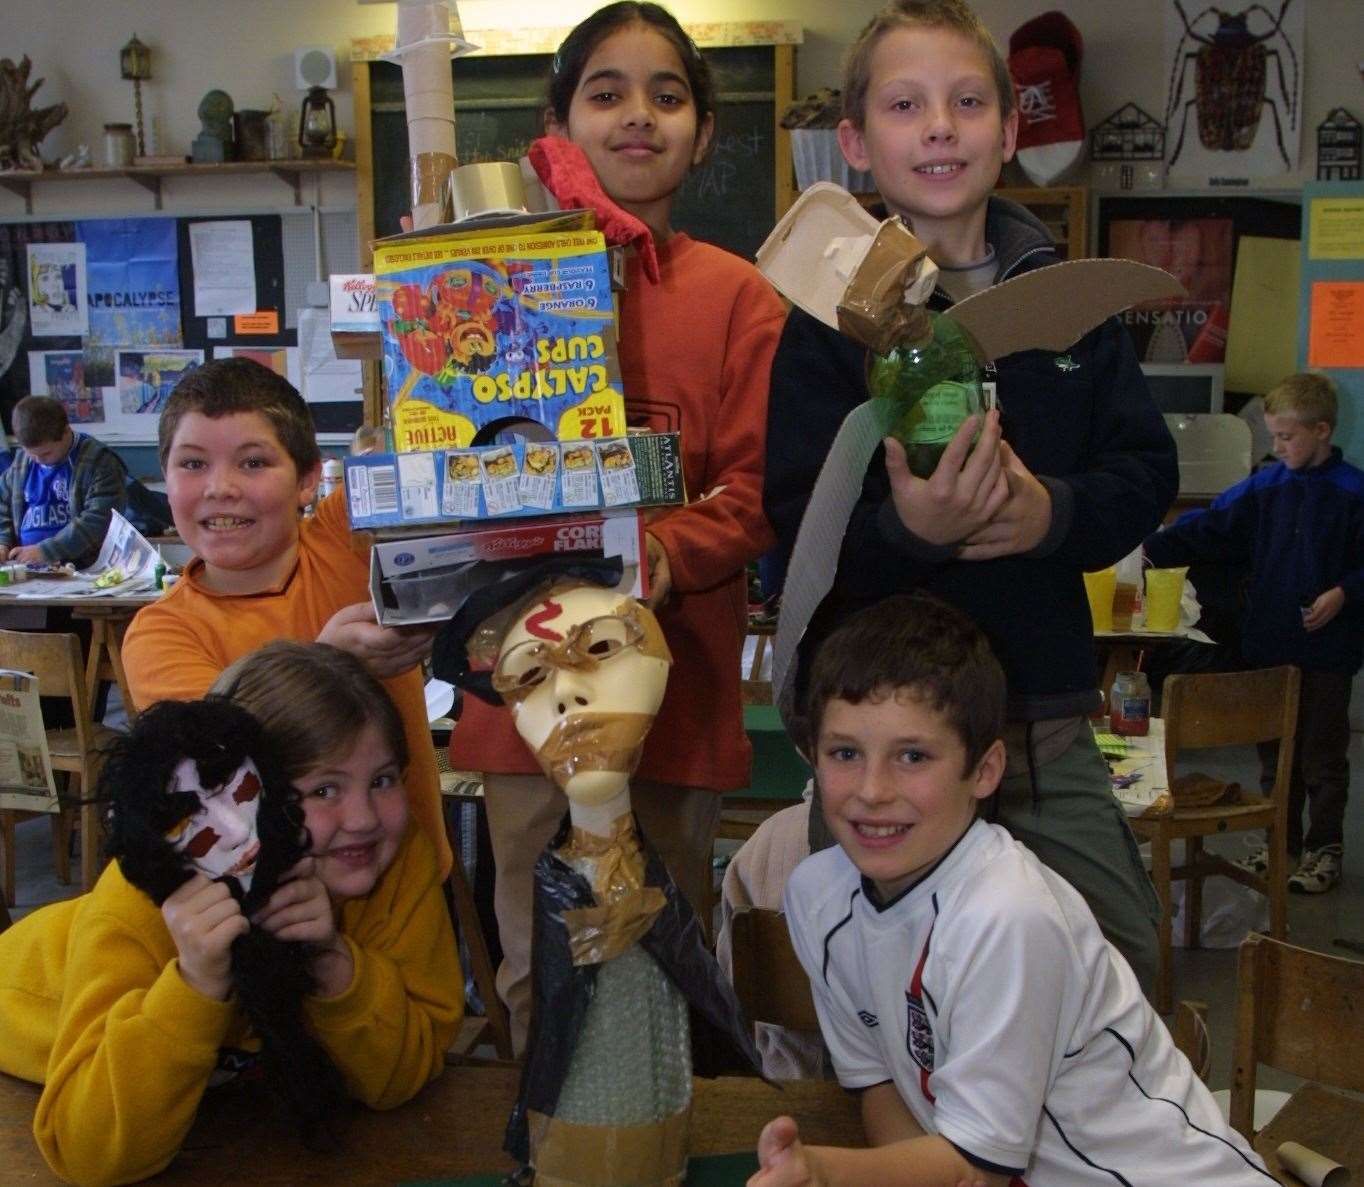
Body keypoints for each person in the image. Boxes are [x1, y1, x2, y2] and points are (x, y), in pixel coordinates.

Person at [762, 0, 1175, 988]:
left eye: (965, 101)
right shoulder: (824, 325)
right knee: (871, 979)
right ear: (857, 142)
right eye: (905, 105)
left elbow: (1143, 473)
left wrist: (1053, 514)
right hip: (876, 727)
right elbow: (795, 524)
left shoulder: (1070, 308)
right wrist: (908, 529)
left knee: (1113, 967)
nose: (939, 124)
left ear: (1008, 129)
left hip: (1039, 714)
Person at [448, 1, 786, 1050]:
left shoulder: (740, 299)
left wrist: (655, 554)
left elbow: (755, 491)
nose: (638, 116)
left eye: (668, 95)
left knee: (663, 942)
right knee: (528, 948)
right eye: (606, 93)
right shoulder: (484, 285)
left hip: (673, 688)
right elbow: (438, 457)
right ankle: (541, 1139)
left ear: (704, 131)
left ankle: (653, 1140)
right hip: (522, 685)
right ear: (556, 122)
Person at [750, 594, 1272, 1187]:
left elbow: (975, 1168)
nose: (872, 790)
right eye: (845, 753)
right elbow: (879, 1085)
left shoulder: (1007, 916)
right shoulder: (817, 896)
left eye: (913, 756)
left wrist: (824, 1172)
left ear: (985, 771)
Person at [0, 641, 462, 1187]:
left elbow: (401, 1077)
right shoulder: (143, 898)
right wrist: (196, 983)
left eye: (383, 780)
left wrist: (334, 963)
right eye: (323, 789)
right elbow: (92, 1154)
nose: (362, 818)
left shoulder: (396, 857)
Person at [120, 358, 449, 875]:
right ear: (164, 479)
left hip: (410, 879)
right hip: (272, 900)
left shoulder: (348, 534)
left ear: (307, 479)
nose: (219, 487)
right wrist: (329, 662)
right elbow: (221, 769)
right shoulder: (160, 634)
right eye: (192, 464)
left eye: (253, 463)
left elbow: (441, 440)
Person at [1144, 373, 1364, 894]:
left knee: (1322, 755)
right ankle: (1281, 841)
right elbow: (1211, 526)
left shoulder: (1353, 493)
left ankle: (1323, 848)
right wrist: (1147, 547)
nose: (1277, 446)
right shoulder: (1267, 487)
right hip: (1269, 646)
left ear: (1322, 430)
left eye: (1287, 437)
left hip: (1328, 652)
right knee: (1275, 751)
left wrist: (1345, 592)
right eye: (1273, 436)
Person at [0, 394, 127, 568]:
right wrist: (3, 542)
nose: (38, 460)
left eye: (46, 453)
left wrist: (46, 551)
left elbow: (99, 520)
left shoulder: (100, 462)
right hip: (25, 570)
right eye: (31, 453)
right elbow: (2, 506)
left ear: (66, 431)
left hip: (83, 568)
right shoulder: (21, 463)